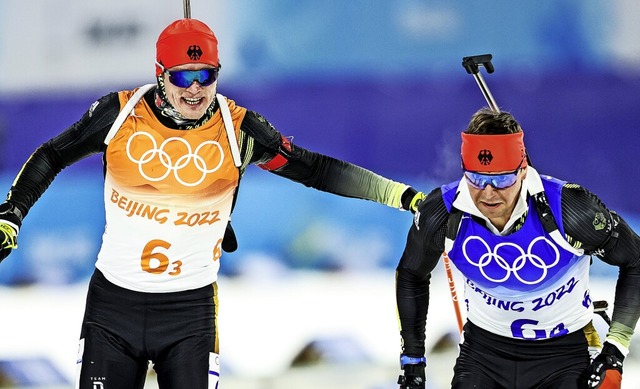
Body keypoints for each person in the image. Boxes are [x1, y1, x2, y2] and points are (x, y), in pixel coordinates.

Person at [0, 18, 425, 389]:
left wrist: (401, 196)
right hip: (114, 309)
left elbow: (316, 169)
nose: (196, 89)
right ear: (159, 74)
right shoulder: (120, 113)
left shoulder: (239, 129)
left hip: (189, 314)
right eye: (183, 77)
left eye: (207, 75)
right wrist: (12, 214)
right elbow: (52, 155)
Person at [395, 108, 640, 389]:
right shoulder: (442, 213)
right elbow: (412, 275)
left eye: (501, 179)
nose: (487, 193)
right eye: (476, 178)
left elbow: (635, 259)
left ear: (523, 170)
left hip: (564, 355)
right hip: (484, 354)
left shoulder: (570, 210)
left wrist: (615, 351)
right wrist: (412, 364)